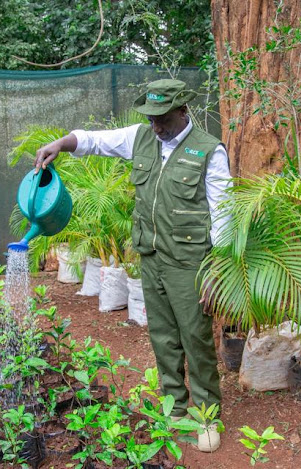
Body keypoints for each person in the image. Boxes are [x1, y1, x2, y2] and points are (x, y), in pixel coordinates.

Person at [34, 79, 231, 452]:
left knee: (196, 338)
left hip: (191, 262)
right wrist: (61, 143)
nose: (155, 126)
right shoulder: (141, 137)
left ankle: (206, 416)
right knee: (163, 336)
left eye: (163, 118)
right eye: (151, 118)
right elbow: (95, 141)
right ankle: (174, 408)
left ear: (182, 111)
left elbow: (223, 214)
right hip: (151, 257)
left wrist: (218, 271)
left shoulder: (209, 151)